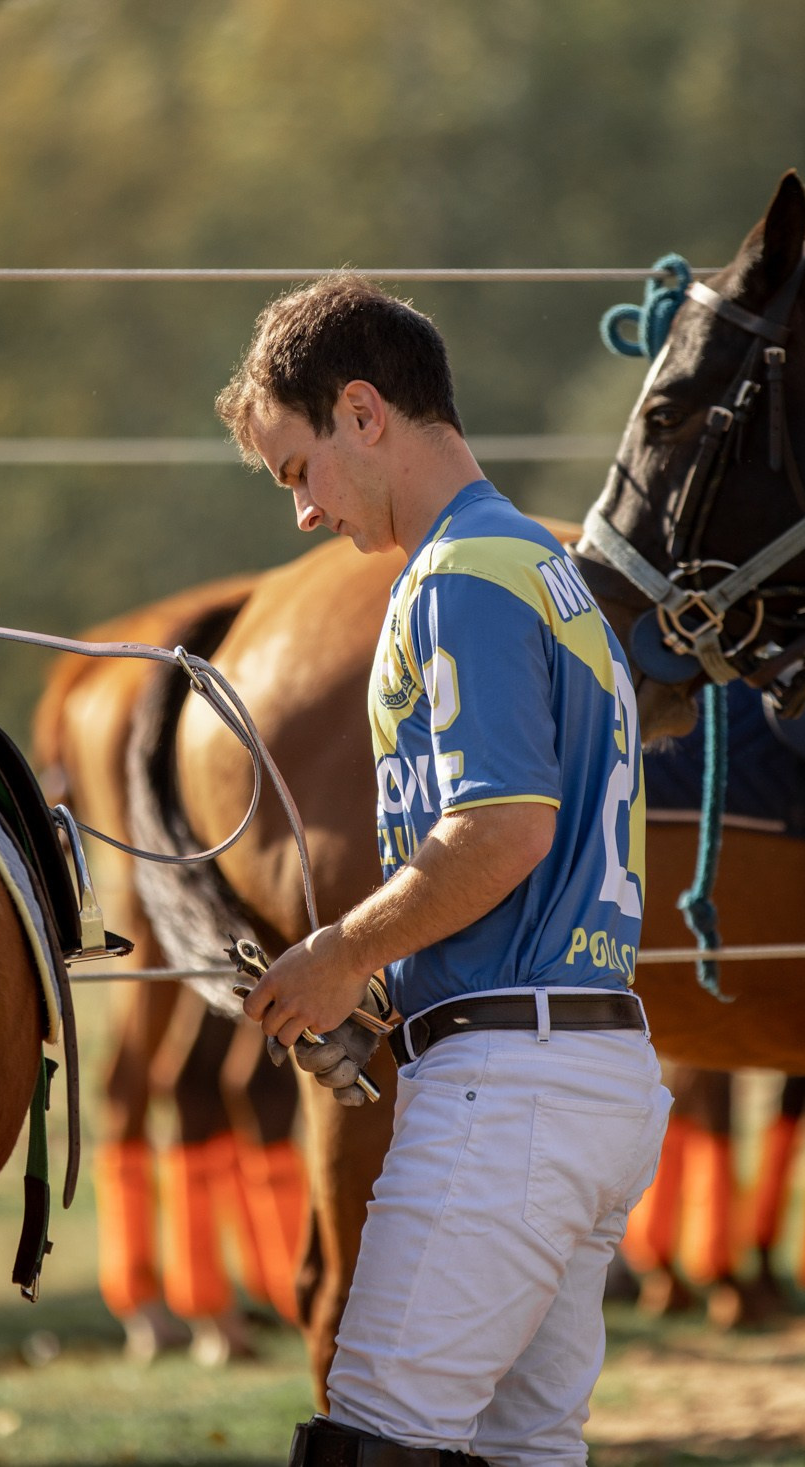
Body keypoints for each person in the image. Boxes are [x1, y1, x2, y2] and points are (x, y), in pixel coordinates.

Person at [218, 275, 671, 1467]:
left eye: (295, 468)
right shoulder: (543, 566)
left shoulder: (459, 577)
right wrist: (386, 995)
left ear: (362, 412)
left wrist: (341, 953)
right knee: (527, 1450)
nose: (304, 514)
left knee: (378, 1436)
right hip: (582, 1065)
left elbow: (503, 829)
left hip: (510, 1091)